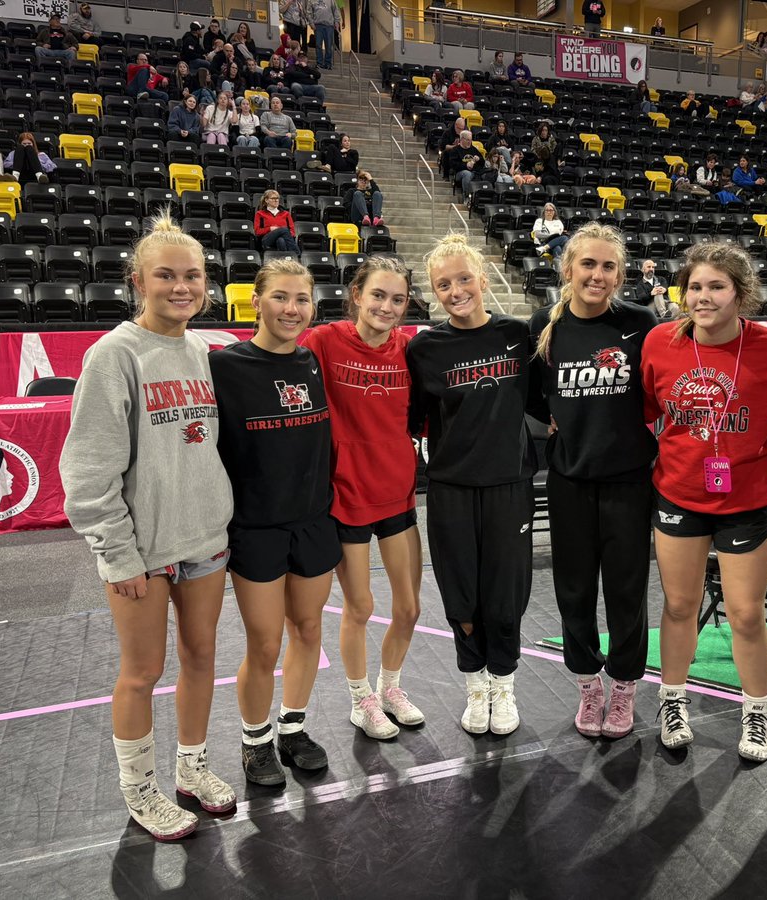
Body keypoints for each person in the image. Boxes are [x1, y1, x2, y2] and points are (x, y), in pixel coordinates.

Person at [59, 213, 236, 841]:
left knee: (201, 657)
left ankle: (191, 769)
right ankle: (141, 790)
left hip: (206, 543)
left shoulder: (201, 351)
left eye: (192, 276)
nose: (181, 286)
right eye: (166, 275)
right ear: (139, 281)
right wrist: (119, 553)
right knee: (142, 671)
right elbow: (86, 473)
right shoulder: (113, 356)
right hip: (144, 553)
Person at [641, 241, 767, 754]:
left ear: (740, 292)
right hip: (679, 492)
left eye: (716, 286)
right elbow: (645, 410)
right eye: (694, 287)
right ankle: (673, 699)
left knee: (746, 614)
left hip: (748, 497)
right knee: (681, 604)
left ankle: (757, 711)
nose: (703, 297)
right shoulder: (660, 342)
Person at [207, 260, 340, 786]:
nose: (293, 308)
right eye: (281, 297)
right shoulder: (224, 366)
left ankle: (292, 728)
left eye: (302, 299)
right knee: (263, 644)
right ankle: (255, 740)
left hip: (312, 521)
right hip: (255, 528)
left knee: (308, 630)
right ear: (256, 301)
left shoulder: (312, 362)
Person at [528, 224, 658, 739]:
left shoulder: (640, 322)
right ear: (568, 268)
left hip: (629, 479)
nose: (597, 276)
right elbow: (535, 396)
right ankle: (588, 683)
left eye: (608, 267)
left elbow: (657, 385)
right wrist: (557, 418)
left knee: (628, 590)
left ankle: (624, 686)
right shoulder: (545, 325)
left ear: (620, 274)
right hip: (569, 480)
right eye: (588, 265)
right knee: (574, 590)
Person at [407, 234, 537, 736]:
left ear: (483, 279)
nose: (455, 290)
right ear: (434, 292)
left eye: (464, 278)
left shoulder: (518, 335)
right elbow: (414, 418)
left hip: (509, 483)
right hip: (451, 488)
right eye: (444, 284)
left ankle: (503, 683)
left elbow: (540, 403)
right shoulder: (424, 348)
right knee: (460, 592)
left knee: (505, 592)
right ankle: (475, 684)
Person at [301, 256, 425, 742]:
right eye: (378, 295)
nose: (387, 307)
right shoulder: (325, 341)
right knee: (359, 607)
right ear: (356, 294)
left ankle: (390, 686)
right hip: (346, 495)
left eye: (397, 299)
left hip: (398, 493)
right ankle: (360, 699)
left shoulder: (410, 349)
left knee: (410, 607)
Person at [447, 130, 484, 197]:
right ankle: (466, 196)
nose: (469, 142)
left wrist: (479, 159)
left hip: (475, 171)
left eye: (470, 140)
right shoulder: (455, 150)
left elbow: (483, 162)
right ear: (462, 139)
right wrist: (466, 165)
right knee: (467, 174)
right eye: (467, 140)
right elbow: (453, 164)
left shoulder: (473, 149)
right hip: (460, 173)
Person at [310, 0, 340, 69]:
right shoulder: (312, 1)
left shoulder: (331, 1)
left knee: (329, 45)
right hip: (318, 25)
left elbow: (336, 11)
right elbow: (309, 12)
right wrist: (311, 23)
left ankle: (328, 63)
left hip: (329, 26)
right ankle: (319, 63)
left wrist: (337, 22)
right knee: (318, 45)